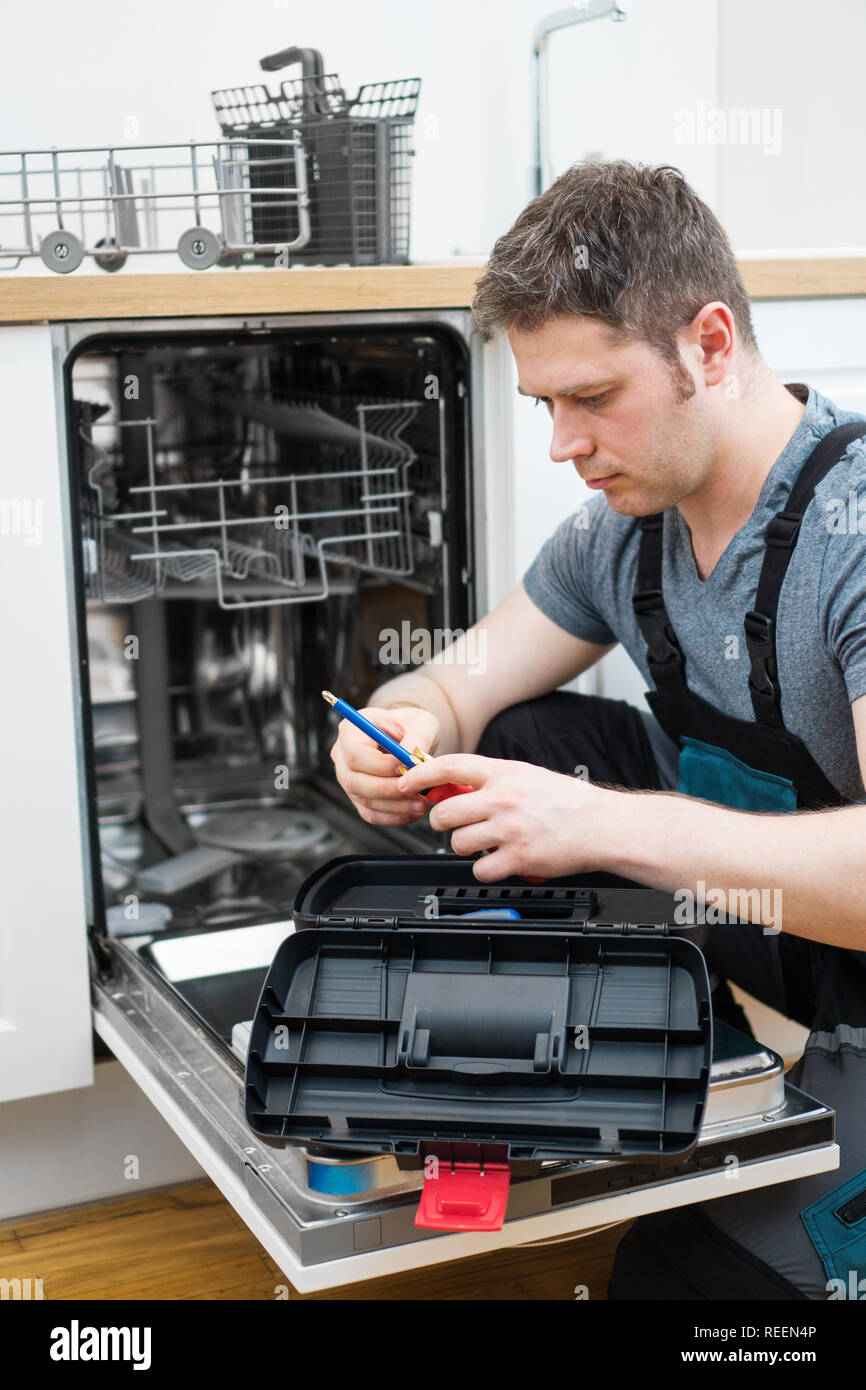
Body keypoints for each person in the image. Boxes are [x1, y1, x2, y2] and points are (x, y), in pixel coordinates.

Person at [328, 160, 866, 1300]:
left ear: (709, 345)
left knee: (685, 1285)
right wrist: (397, 724)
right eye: (543, 407)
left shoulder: (850, 533)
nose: (563, 444)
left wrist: (596, 822)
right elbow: (459, 686)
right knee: (512, 738)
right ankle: (669, 1045)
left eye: (590, 397)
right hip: (763, 931)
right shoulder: (618, 534)